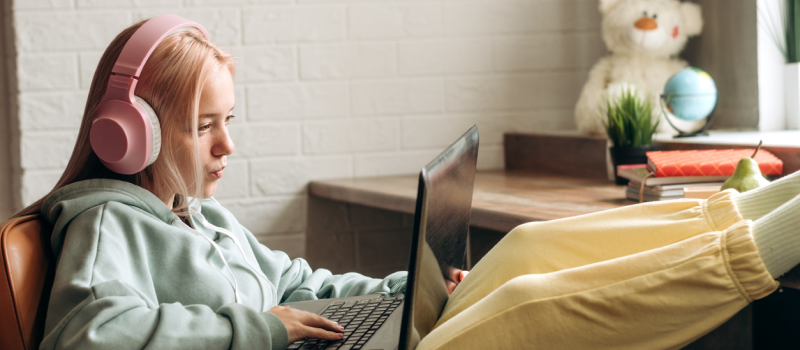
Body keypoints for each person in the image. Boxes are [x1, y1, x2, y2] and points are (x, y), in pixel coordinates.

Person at [12, 16, 800, 350]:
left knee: (519, 251)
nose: (228, 146)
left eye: (228, 120)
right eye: (205, 126)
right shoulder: (109, 223)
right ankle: (773, 240)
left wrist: (405, 288)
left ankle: (755, 208)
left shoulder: (194, 217)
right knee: (525, 300)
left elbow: (294, 279)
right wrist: (265, 330)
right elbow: (90, 337)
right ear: (133, 134)